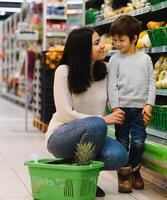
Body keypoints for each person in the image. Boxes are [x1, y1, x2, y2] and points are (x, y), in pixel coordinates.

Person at [46, 27, 128, 197]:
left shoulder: (105, 71)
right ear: (83, 49)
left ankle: (76, 168)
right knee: (97, 124)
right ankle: (84, 181)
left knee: (119, 156)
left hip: (94, 135)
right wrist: (103, 119)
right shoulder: (64, 72)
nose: (103, 45)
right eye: (97, 42)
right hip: (61, 136)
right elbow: (65, 114)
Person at [108, 15, 156, 193]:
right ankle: (124, 174)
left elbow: (152, 83)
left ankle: (135, 170)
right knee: (122, 143)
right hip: (121, 109)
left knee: (138, 142)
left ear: (134, 38)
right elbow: (111, 86)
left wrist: (149, 104)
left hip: (139, 110)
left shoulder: (145, 60)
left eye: (121, 40)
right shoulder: (114, 60)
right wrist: (115, 107)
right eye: (114, 41)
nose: (117, 44)